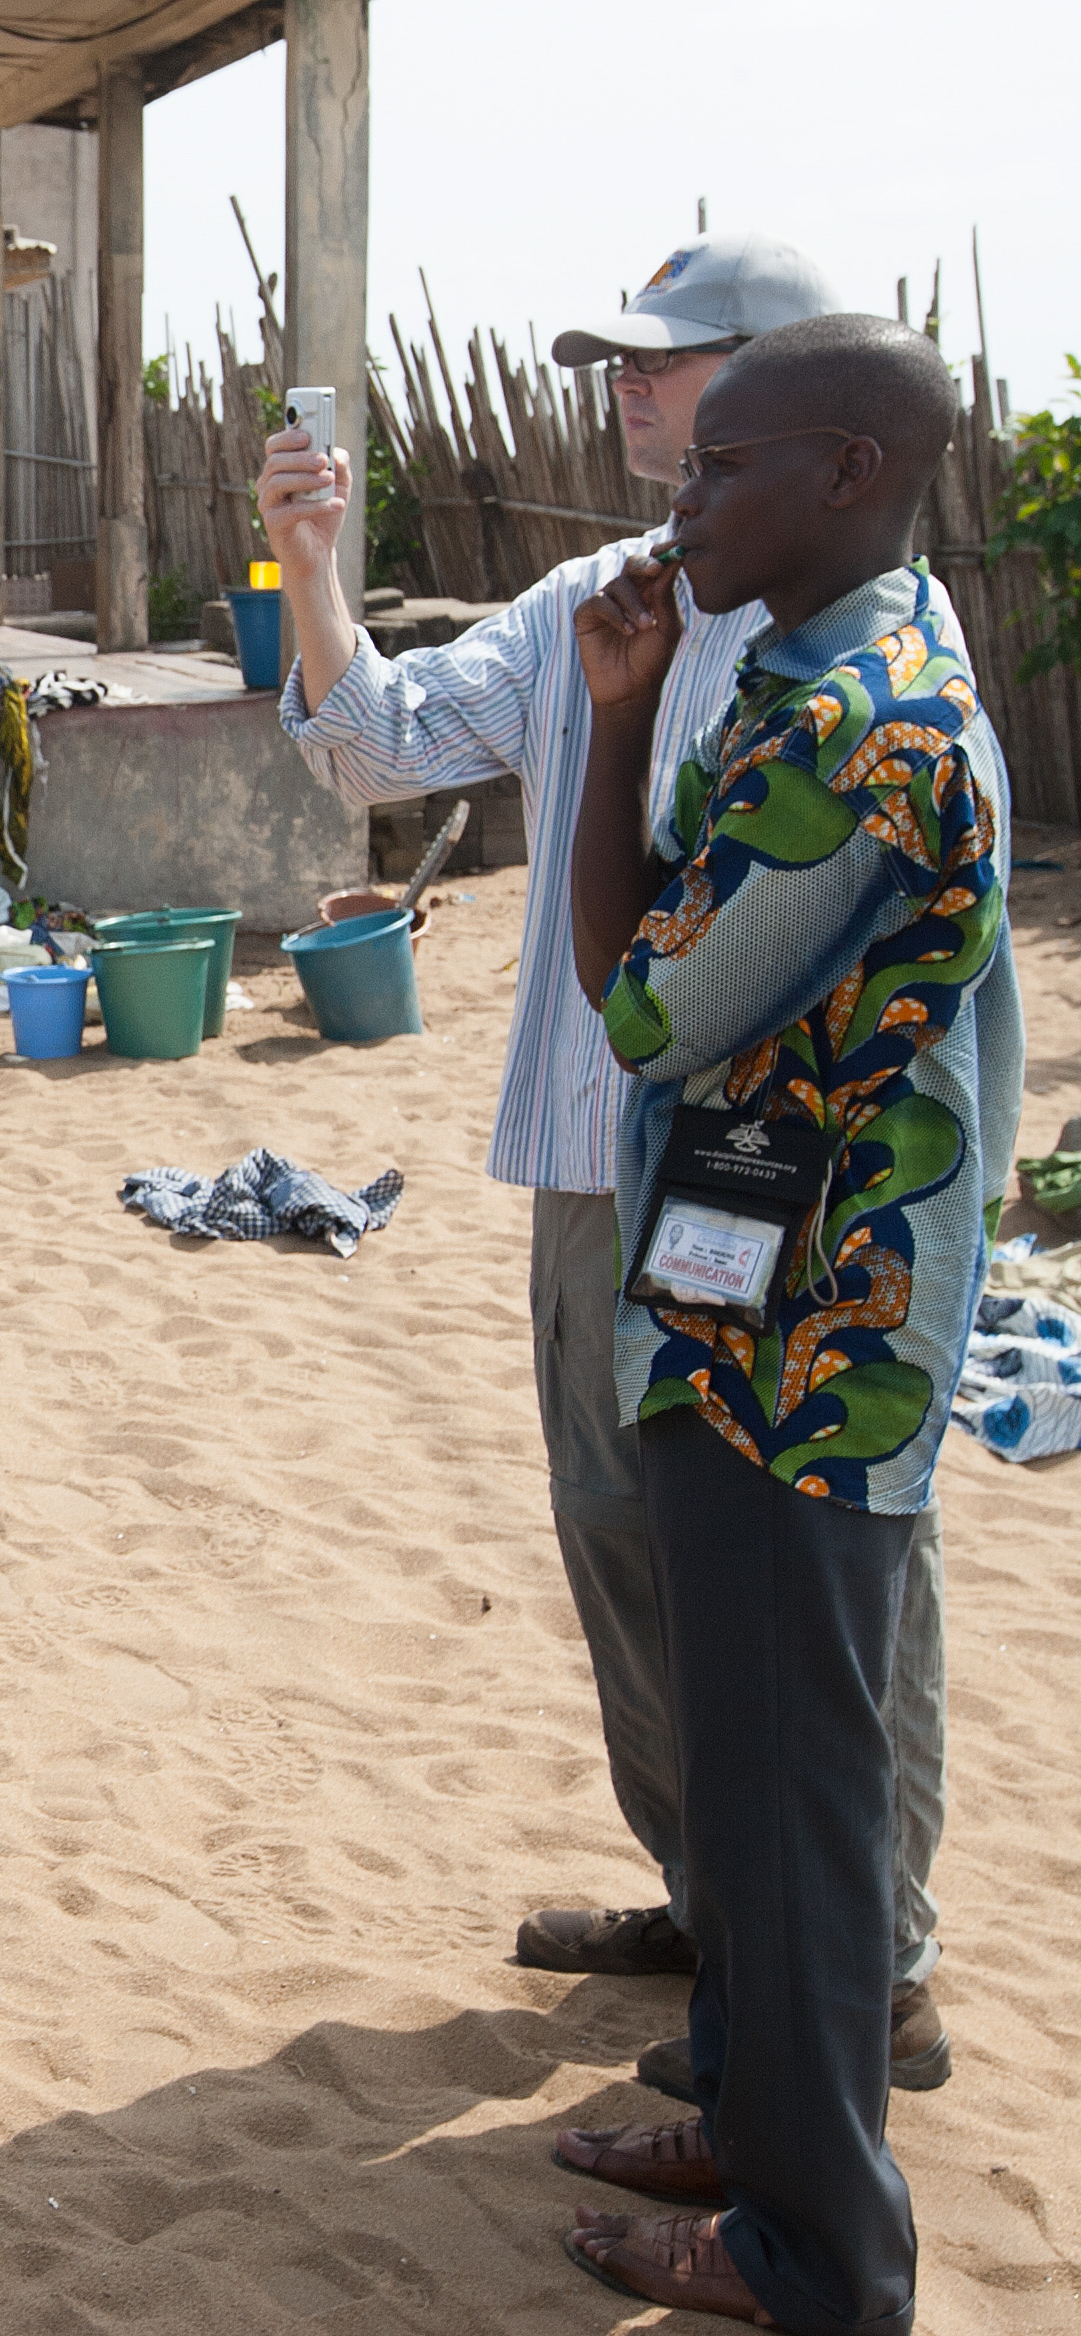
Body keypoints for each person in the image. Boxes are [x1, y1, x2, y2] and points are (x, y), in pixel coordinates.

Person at [258, 235, 961, 2098]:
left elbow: (687, 988)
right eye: (627, 370)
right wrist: (309, 565)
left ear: (805, 403)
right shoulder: (598, 600)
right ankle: (721, 1910)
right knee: (632, 1551)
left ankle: (869, 1965)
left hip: (794, 1199)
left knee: (835, 1583)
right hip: (598, 1173)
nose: (637, 395)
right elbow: (377, 747)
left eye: (674, 364)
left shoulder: (873, 650)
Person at [550, 312, 1015, 2336]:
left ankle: (818, 2253)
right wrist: (627, 710)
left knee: (794, 1800)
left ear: (846, 470)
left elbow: (641, 1001)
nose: (681, 502)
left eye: (721, 464)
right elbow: (665, 952)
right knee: (749, 1775)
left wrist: (611, 743)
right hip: (747, 1310)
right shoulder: (812, 674)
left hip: (807, 1349)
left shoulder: (856, 728)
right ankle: (749, 2122)